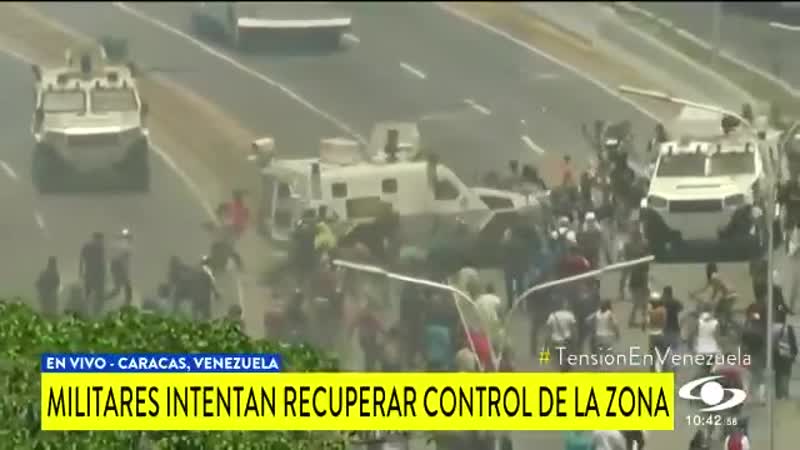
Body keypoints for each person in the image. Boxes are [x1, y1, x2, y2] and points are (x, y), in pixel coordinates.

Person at [620, 229, 650, 327]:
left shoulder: (639, 262)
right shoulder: (641, 263)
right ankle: (639, 320)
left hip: (637, 283)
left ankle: (642, 320)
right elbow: (644, 274)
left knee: (639, 303)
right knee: (640, 303)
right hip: (638, 283)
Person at [79, 231, 106, 316]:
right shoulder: (89, 247)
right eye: (99, 239)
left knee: (95, 294)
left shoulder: (99, 248)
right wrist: (80, 271)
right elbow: (82, 260)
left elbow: (102, 262)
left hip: (95, 274)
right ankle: (87, 311)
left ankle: (94, 312)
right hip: (92, 273)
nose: (100, 241)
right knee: (90, 293)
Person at [772, 314, 798, 399]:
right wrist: (794, 353)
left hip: (775, 354)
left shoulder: (772, 327)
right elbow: (792, 341)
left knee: (778, 374)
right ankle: (785, 393)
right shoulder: (788, 328)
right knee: (786, 373)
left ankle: (778, 394)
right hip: (786, 354)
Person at [546, 298, 576, 371]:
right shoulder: (570, 315)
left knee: (557, 357)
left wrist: (548, 339)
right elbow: (573, 328)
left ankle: (560, 369)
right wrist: (574, 338)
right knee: (567, 355)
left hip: (555, 339)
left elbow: (549, 329)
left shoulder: (552, 315)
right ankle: (566, 368)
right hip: (567, 339)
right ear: (565, 306)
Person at [106, 228, 133, 306]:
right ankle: (104, 299)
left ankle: (104, 298)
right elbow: (120, 258)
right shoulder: (124, 246)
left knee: (119, 289)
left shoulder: (122, 246)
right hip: (119, 267)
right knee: (124, 288)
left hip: (118, 267)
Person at [193, 256, 220, 321]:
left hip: (196, 296)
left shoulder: (196, 270)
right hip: (205, 296)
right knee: (206, 314)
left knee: (196, 313)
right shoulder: (207, 270)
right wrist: (216, 293)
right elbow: (211, 282)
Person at [645, 293, 667, 371]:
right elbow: (664, 322)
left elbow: (647, 323)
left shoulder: (650, 311)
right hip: (660, 333)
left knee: (652, 355)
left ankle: (652, 371)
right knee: (663, 353)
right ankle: (665, 370)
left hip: (652, 334)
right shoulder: (662, 310)